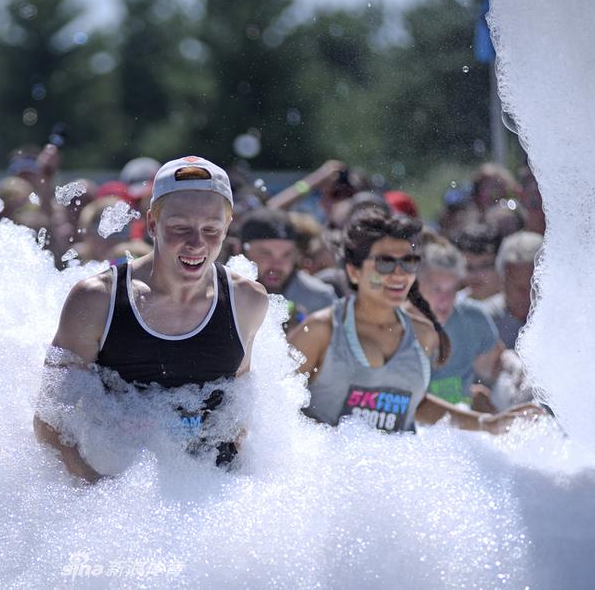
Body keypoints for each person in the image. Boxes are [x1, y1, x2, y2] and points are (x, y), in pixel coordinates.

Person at [34, 156, 268, 482]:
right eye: (180, 228)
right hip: (127, 496)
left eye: (211, 229)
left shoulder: (247, 300)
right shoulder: (98, 300)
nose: (196, 244)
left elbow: (237, 412)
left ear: (227, 226)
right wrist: (100, 496)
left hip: (210, 497)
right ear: (152, 224)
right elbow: (50, 423)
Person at [287, 208, 539, 433]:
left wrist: (486, 424)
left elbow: (414, 403)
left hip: (402, 472)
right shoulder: (321, 331)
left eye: (407, 263)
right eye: (385, 264)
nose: (399, 275)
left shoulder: (423, 334)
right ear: (354, 271)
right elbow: (276, 408)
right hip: (335, 476)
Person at [417, 238, 504, 410]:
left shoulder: (472, 319)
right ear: (416, 286)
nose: (445, 300)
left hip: (462, 429)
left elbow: (500, 370)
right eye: (437, 289)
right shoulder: (396, 326)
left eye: (452, 290)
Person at [238, 207, 336, 322]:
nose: (277, 265)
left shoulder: (320, 298)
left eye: (287, 254)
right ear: (240, 251)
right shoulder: (220, 294)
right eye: (265, 253)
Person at [479, 231, 543, 350]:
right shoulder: (482, 321)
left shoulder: (561, 322)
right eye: (515, 284)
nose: (525, 293)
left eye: (533, 284)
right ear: (501, 281)